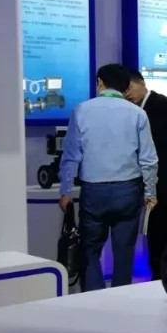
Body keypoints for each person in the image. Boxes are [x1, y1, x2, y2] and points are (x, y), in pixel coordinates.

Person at [59, 63, 158, 292]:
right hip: (128, 191)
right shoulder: (137, 113)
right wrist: (150, 192)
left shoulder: (81, 110)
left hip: (94, 192)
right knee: (124, 251)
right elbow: (148, 159)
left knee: (90, 249)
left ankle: (93, 298)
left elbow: (71, 156)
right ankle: (121, 299)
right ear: (126, 87)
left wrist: (65, 191)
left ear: (100, 83)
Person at [125, 70, 167, 280]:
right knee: (157, 233)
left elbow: (156, 146)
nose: (128, 94)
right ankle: (160, 275)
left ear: (142, 83)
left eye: (130, 87)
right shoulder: (140, 108)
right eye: (124, 90)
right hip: (158, 182)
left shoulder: (159, 104)